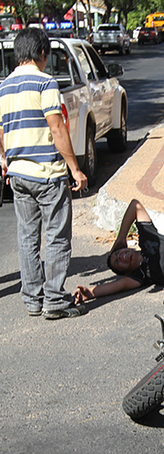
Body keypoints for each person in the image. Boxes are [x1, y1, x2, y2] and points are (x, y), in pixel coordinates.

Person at [0, 28, 88, 319]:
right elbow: (56, 126)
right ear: (41, 54)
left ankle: (32, 298)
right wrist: (75, 168)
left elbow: (1, 130)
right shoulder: (45, 82)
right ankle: (54, 300)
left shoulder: (4, 87)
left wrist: (4, 158)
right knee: (57, 236)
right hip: (47, 173)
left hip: (18, 173)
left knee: (27, 236)